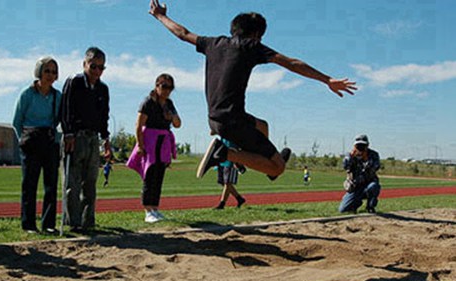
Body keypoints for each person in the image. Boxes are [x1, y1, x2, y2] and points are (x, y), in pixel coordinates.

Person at [149, 1, 357, 181]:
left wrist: (160, 16)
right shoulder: (250, 46)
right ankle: (226, 154)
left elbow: (182, 33)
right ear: (256, 35)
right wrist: (327, 79)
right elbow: (291, 62)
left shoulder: (213, 43)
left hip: (214, 118)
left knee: (262, 126)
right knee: (279, 167)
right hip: (232, 122)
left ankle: (247, 159)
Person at [60, 47, 112, 232]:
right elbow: (65, 109)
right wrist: (68, 133)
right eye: (93, 67)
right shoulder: (73, 82)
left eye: (101, 68)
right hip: (75, 137)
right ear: (85, 64)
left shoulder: (103, 89)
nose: (97, 72)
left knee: (90, 182)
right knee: (71, 182)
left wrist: (106, 139)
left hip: (93, 138)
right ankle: (73, 221)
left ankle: (87, 220)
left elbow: (104, 115)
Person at [12, 56, 61, 234]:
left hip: (49, 143)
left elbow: (59, 121)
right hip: (30, 144)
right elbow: (17, 121)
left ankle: (48, 224)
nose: (50, 75)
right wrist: (22, 141)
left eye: (54, 72)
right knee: (29, 185)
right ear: (39, 71)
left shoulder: (58, 96)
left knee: (51, 185)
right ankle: (29, 224)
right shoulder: (27, 94)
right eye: (47, 70)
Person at [127, 74, 181, 223]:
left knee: (159, 175)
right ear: (156, 86)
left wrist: (171, 117)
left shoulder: (169, 104)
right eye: (164, 86)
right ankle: (147, 210)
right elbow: (138, 125)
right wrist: (140, 145)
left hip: (163, 141)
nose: (167, 90)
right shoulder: (148, 102)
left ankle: (155, 209)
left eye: (170, 87)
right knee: (149, 175)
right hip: (150, 140)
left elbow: (178, 124)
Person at [339, 134, 381, 214]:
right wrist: (351, 157)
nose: (360, 148)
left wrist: (366, 160)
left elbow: (376, 167)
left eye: (363, 145)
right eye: (358, 145)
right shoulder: (350, 155)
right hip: (356, 186)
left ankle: (370, 206)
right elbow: (345, 167)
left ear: (367, 145)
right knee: (343, 209)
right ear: (354, 145)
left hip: (369, 183)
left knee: (374, 187)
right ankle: (356, 203)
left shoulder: (373, 155)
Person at [214, 139, 246, 210]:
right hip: (222, 159)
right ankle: (239, 199)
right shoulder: (222, 132)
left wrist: (239, 161)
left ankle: (222, 204)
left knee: (228, 182)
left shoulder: (236, 133)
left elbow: (241, 145)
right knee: (223, 182)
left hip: (232, 159)